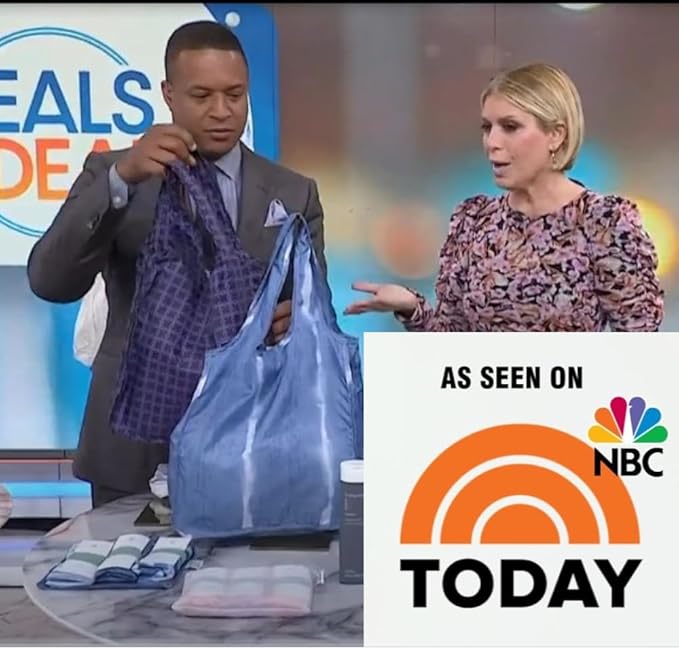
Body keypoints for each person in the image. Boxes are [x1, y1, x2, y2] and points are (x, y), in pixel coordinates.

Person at [27, 21, 328, 508]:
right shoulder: (114, 176)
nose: (221, 111)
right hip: (131, 452)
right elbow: (50, 280)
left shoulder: (293, 192)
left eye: (235, 95)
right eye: (202, 95)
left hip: (253, 441)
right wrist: (120, 182)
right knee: (127, 562)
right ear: (168, 94)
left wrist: (302, 320)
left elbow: (316, 307)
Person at [345, 63, 664, 332]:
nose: (492, 142)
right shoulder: (473, 221)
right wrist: (411, 307)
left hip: (574, 391)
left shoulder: (605, 222)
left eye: (510, 127)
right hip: (484, 392)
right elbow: (451, 343)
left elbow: (639, 345)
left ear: (556, 135)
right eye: (487, 128)